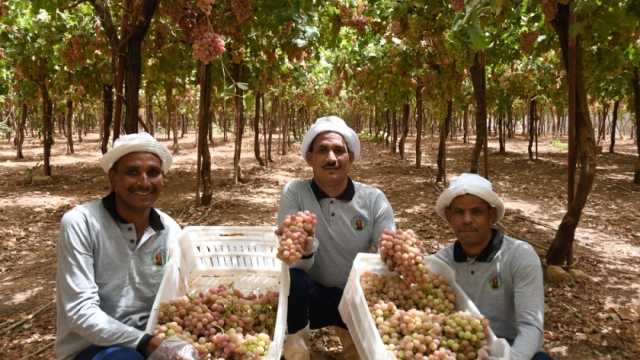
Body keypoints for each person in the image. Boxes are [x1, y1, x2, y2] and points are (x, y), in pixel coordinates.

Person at [276, 116, 395, 360]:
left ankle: (358, 336)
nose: (331, 158)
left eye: (339, 150)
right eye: (322, 150)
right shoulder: (295, 192)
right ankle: (294, 345)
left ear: (350, 157)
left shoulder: (373, 199)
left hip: (357, 296)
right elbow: (292, 260)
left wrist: (396, 253)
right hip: (312, 295)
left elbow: (388, 251)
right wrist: (306, 246)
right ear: (310, 158)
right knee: (294, 279)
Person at [55, 132, 182, 360]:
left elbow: (176, 298)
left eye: (153, 173)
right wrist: (146, 343)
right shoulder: (81, 223)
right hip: (94, 348)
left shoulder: (170, 229)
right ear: (112, 177)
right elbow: (80, 311)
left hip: (151, 343)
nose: (144, 182)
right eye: (132, 172)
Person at [433, 173, 552, 360]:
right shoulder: (440, 263)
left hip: (509, 346)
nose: (466, 220)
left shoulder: (519, 256)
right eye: (459, 212)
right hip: (459, 347)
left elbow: (531, 327)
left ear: (491, 215)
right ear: (449, 217)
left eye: (476, 211)